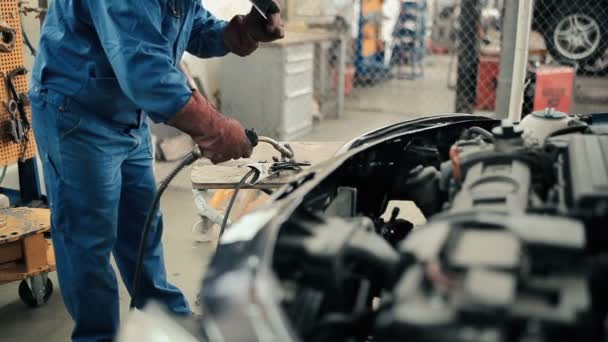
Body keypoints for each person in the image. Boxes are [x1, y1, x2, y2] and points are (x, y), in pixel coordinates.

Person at [29, 1, 284, 341]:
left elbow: (187, 24)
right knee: (88, 240)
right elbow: (145, 71)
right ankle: (98, 335)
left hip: (127, 114)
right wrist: (216, 128)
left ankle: (163, 317)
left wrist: (237, 33)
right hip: (78, 113)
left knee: (142, 224)